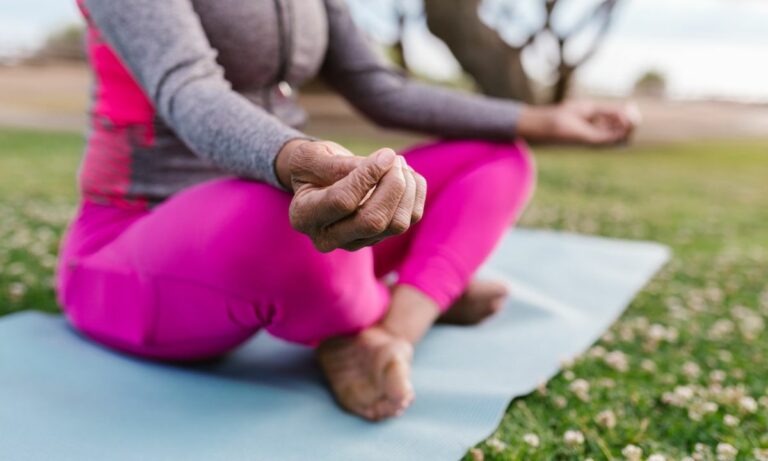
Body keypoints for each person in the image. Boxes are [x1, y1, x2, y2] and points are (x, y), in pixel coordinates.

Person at [57, 0, 635, 421]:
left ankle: (390, 334)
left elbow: (380, 88)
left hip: (299, 210)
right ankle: (409, 291)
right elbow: (189, 88)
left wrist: (538, 120)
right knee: (277, 214)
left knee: (496, 157)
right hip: (133, 248)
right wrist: (302, 159)